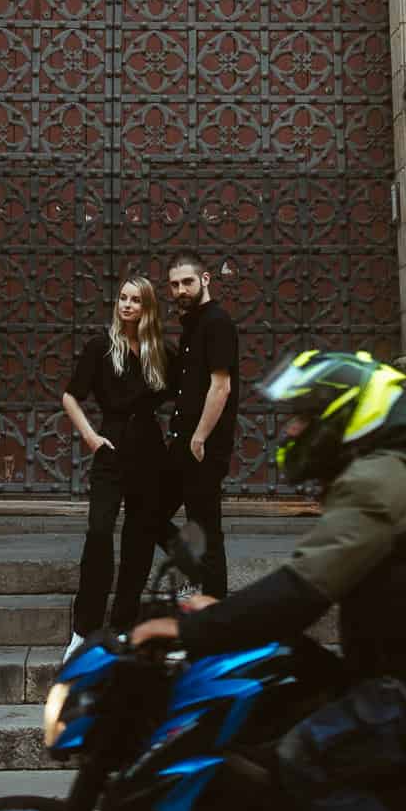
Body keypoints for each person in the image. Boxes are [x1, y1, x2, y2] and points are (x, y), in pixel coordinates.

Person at [132, 349, 406, 811]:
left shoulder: (374, 485)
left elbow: (302, 592)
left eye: (304, 417)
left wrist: (190, 630)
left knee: (305, 758)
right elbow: (309, 580)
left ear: (341, 419)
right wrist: (226, 614)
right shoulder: (375, 481)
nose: (290, 430)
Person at [62, 273, 171, 658]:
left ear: (147, 307)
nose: (126, 305)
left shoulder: (161, 351)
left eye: (135, 300)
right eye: (123, 298)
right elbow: (70, 397)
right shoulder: (100, 347)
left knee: (139, 540)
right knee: (99, 532)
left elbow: (187, 391)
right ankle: (84, 629)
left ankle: (124, 624)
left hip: (150, 452)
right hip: (110, 448)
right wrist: (91, 437)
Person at [154, 250, 239, 600]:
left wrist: (200, 438)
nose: (180, 290)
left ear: (205, 280)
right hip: (183, 443)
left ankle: (216, 608)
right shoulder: (192, 324)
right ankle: (194, 570)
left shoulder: (217, 322)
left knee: (207, 529)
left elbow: (221, 386)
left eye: (187, 282)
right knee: (150, 514)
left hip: (202, 447)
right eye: (174, 285)